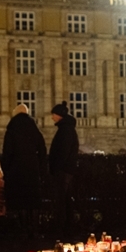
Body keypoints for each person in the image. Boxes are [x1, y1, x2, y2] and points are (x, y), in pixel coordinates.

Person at [1, 104, 47, 237]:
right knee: (33, 200)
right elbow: (42, 151)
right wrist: (41, 168)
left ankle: (23, 229)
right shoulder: (34, 129)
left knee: (20, 201)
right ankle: (34, 229)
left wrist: (6, 169)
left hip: (16, 170)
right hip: (32, 169)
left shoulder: (11, 129)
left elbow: (7, 152)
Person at [48, 101, 79, 236]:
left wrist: (56, 168)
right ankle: (67, 227)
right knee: (65, 200)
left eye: (53, 114)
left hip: (63, 171)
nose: (52, 117)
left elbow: (62, 152)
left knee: (62, 200)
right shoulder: (66, 128)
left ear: (59, 115)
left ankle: (63, 227)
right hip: (66, 170)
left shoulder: (65, 130)